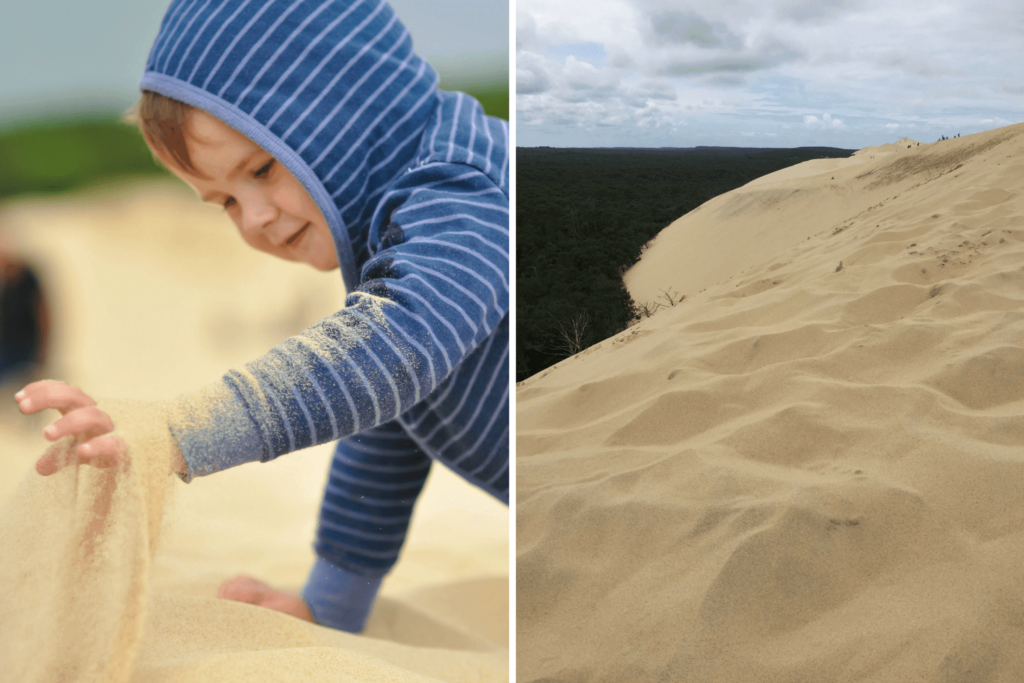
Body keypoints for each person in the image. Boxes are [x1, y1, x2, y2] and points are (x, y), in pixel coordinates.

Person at [15, 0, 508, 634]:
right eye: (223, 201)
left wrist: (175, 430)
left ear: (347, 106)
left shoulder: (461, 191)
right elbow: (388, 429)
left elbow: (394, 354)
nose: (255, 219)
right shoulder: (391, 227)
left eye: (263, 169)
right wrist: (329, 605)